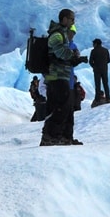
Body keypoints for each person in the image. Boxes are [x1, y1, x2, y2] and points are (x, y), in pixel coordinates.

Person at [40, 9, 88, 146]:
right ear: (65, 19)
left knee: (64, 107)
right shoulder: (57, 34)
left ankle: (62, 137)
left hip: (62, 76)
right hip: (57, 76)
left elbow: (63, 55)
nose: (73, 21)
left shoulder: (61, 35)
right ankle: (52, 137)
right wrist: (73, 55)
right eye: (72, 19)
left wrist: (76, 59)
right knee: (61, 107)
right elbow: (60, 52)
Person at [90, 38, 110, 106]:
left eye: (93, 44)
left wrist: (94, 66)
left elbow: (90, 61)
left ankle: (97, 99)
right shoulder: (106, 50)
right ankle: (108, 98)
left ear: (96, 44)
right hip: (104, 69)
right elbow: (108, 60)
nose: (93, 45)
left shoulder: (93, 51)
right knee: (105, 84)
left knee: (98, 85)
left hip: (97, 70)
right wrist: (103, 64)